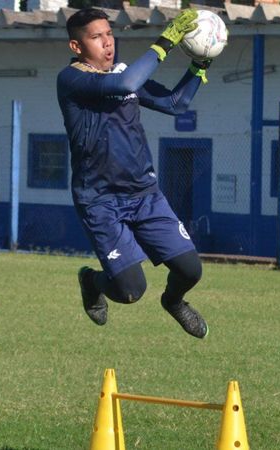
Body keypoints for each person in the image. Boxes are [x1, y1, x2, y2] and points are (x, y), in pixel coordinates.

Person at [57, 8, 212, 338]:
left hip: (144, 195)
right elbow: (124, 83)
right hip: (100, 201)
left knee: (190, 270)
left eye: (109, 34)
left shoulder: (124, 73)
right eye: (96, 37)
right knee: (130, 290)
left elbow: (174, 104)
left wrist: (200, 65)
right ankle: (92, 280)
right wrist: (164, 42)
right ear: (76, 47)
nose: (107, 43)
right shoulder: (72, 80)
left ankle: (173, 302)